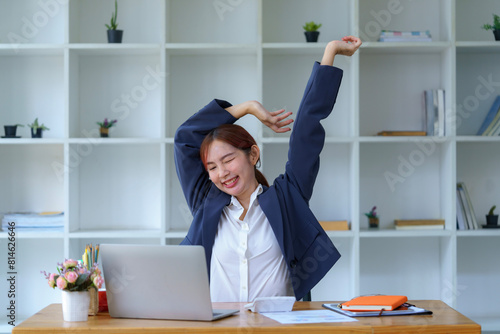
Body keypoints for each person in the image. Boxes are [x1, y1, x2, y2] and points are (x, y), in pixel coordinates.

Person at [174, 36, 362, 302]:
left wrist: (330, 53)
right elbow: (184, 137)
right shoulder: (207, 203)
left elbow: (306, 132)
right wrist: (248, 108)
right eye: (212, 167)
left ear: (253, 154)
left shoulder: (287, 199)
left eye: (228, 160)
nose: (222, 173)